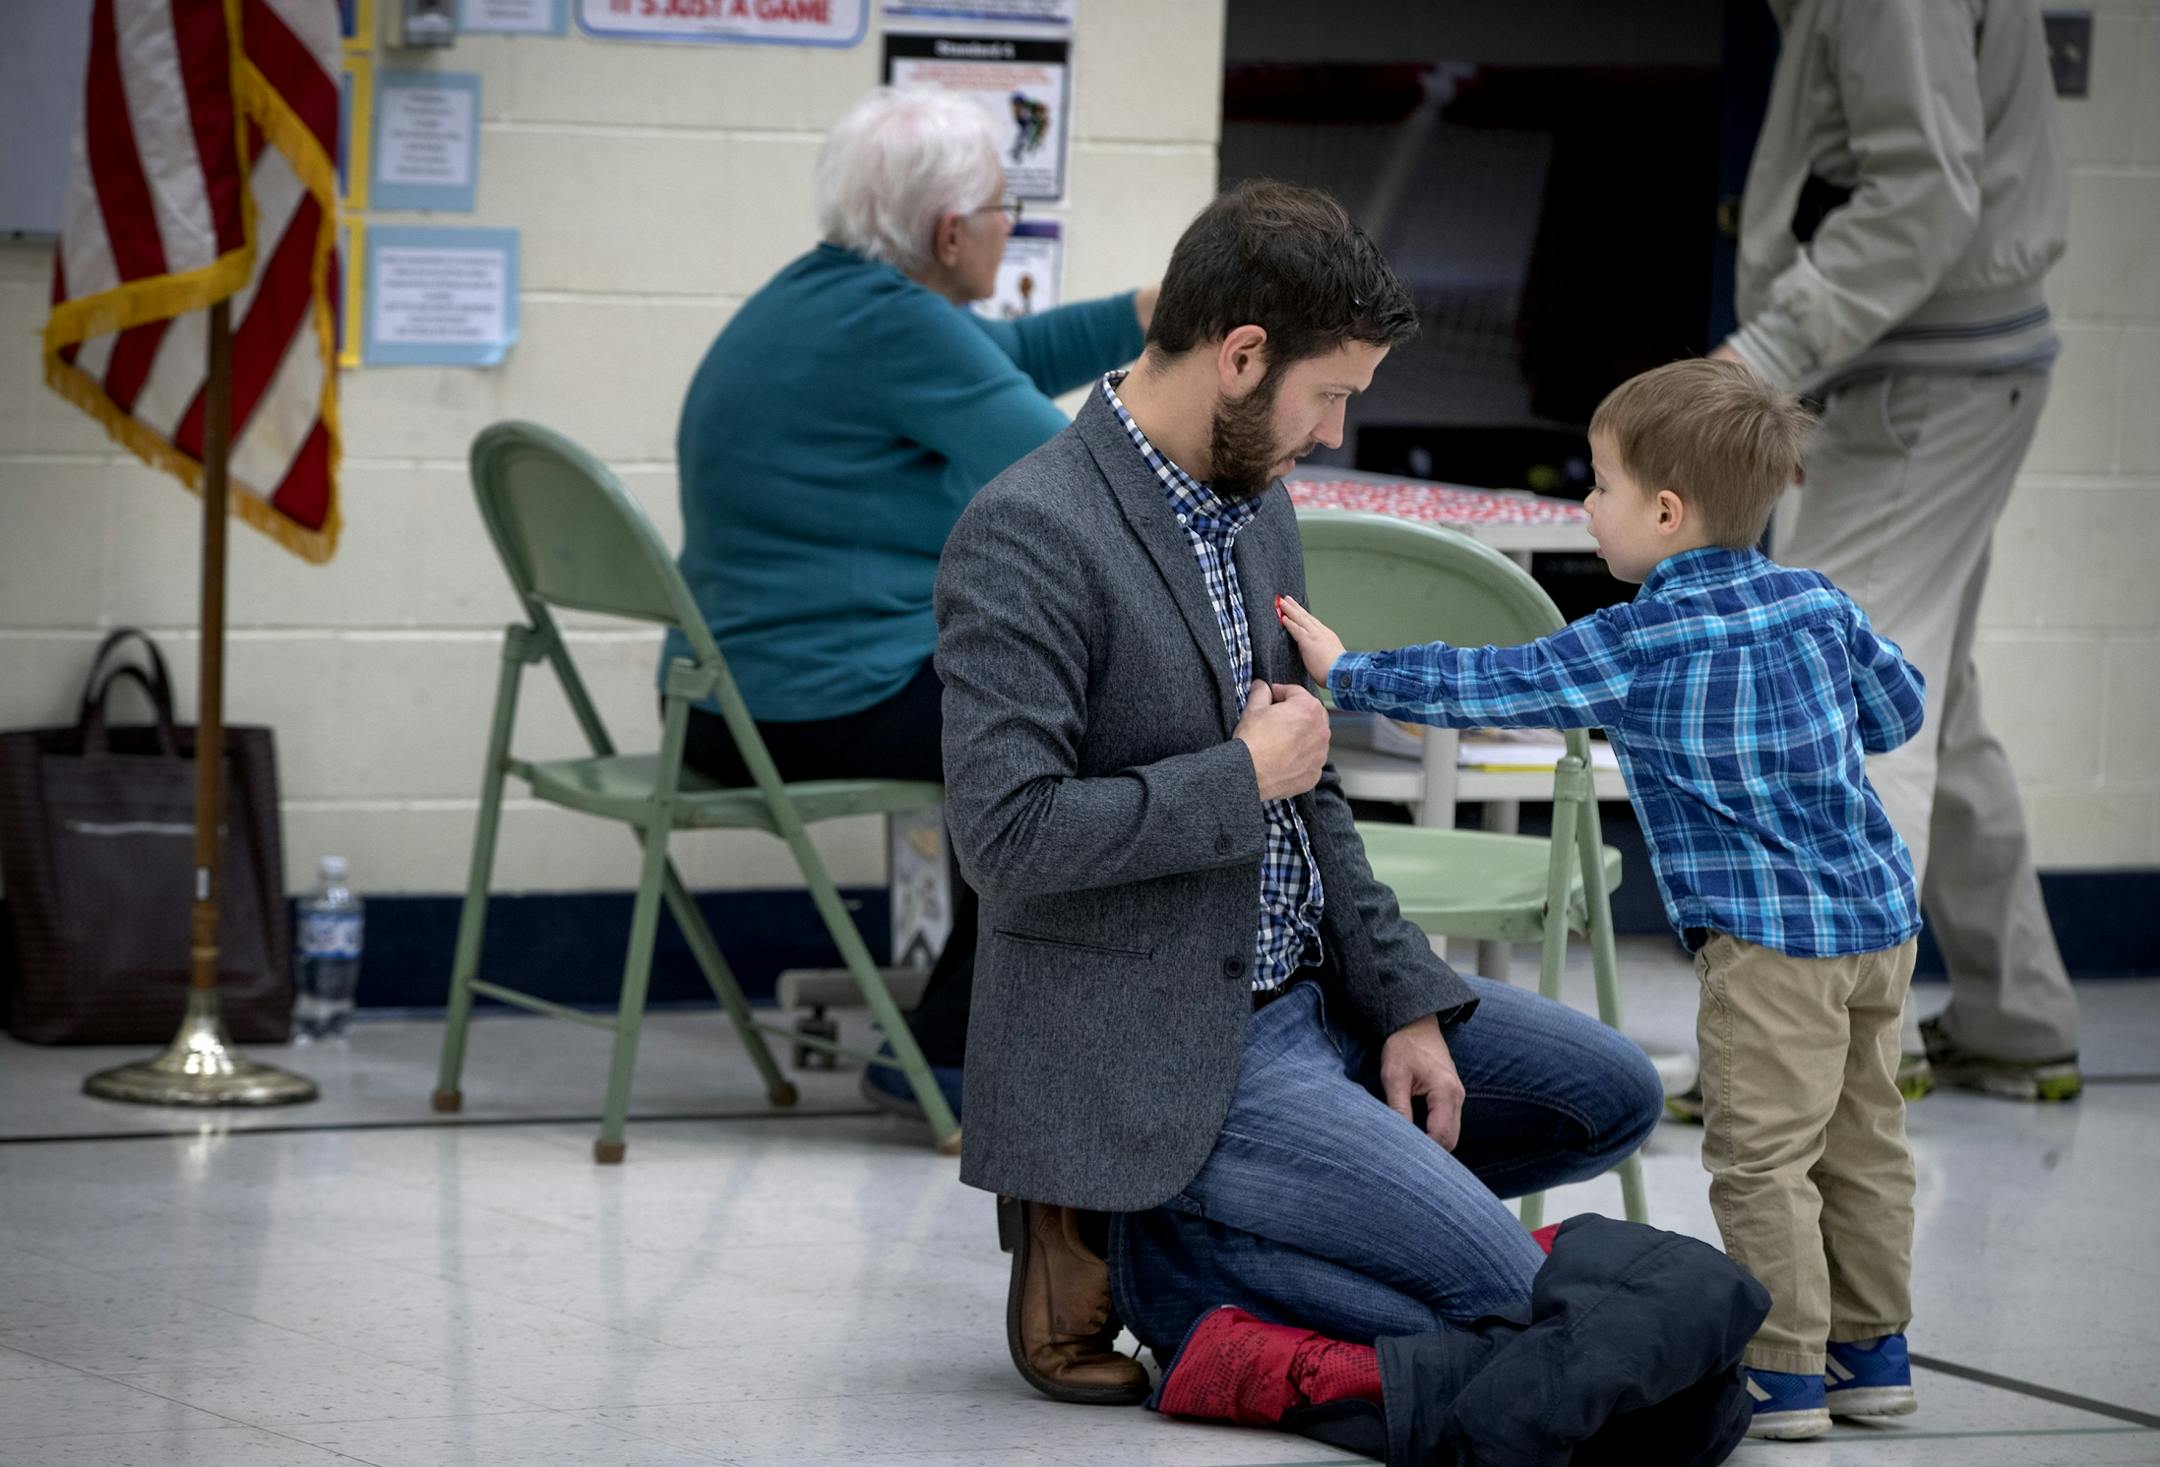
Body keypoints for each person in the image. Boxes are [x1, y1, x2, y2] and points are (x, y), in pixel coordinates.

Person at [934, 181, 1664, 1411]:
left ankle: (1185, 1236)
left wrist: (1404, 1002)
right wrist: (1240, 775)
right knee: (1498, 1294)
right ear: (1240, 356)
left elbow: (1309, 788)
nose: (1331, 434)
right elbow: (1005, 839)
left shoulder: (1257, 502)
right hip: (1175, 1036)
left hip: (1306, 995)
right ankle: (1151, 1238)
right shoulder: (1028, 530)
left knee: (1613, 1095)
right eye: (1329, 395)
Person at [1282, 356, 1928, 1441]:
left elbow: (1488, 687)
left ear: (1665, 512)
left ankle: (1783, 1374)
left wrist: (1350, 672)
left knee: (1764, 1157)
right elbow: (1896, 712)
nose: (1587, 505)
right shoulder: (1818, 601)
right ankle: (1875, 1351)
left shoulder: (1638, 642)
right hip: (1875, 922)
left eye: (1599, 486)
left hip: (1766, 947)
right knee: (1866, 1141)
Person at [661, 87, 1157, 1125]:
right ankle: (951, 1049)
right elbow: (1074, 481)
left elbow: (1001, 362)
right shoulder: (895, 333)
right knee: (1088, 731)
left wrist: (1146, 321)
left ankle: (974, 1023)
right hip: (808, 715)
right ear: (948, 232)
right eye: (1001, 211)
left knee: (1025, 707)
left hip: (716, 711)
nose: (1008, 229)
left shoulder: (820, 299)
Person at [1711, 0, 2078, 1103]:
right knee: (1932, 703)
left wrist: (1764, 366)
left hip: (1917, 372)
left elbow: (1922, 195)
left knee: (1840, 699)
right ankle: (2019, 1020)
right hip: (1943, 361)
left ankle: (1824, 1057)